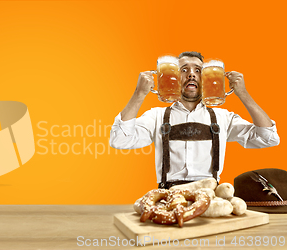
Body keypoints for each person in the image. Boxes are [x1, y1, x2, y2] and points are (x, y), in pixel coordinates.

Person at [109, 51, 280, 189]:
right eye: (184, 69)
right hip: (168, 196)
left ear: (205, 78)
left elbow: (268, 138)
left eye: (198, 70)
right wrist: (139, 94)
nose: (191, 74)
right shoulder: (157, 116)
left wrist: (242, 93)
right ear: (174, 77)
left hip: (211, 196)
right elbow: (119, 139)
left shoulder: (222, 117)